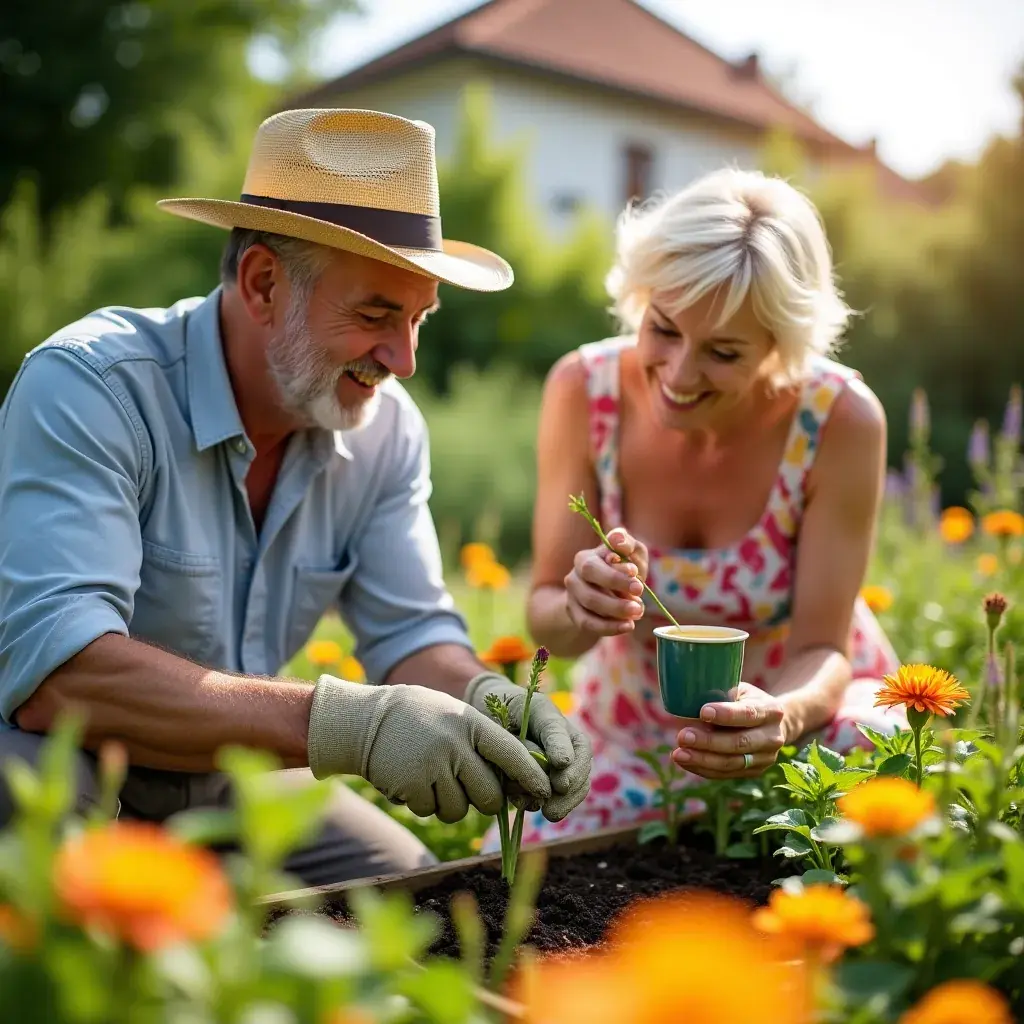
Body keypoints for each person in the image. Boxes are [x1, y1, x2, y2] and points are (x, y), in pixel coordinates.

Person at [0, 108, 591, 885]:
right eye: (377, 314)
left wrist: (486, 699)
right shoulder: (91, 388)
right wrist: (353, 724)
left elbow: (411, 631)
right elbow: (62, 678)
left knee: (416, 891)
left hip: (226, 775)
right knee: (51, 859)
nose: (405, 359)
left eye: (418, 319)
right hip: (51, 757)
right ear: (264, 284)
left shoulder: (386, 432)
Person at [492, 166, 907, 848]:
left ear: (780, 346)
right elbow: (546, 625)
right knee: (522, 847)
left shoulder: (840, 418)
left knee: (883, 753)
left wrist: (781, 714)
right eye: (664, 329)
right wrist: (577, 608)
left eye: (722, 351)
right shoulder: (582, 390)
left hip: (788, 723)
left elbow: (824, 648)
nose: (680, 375)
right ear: (641, 298)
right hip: (630, 736)